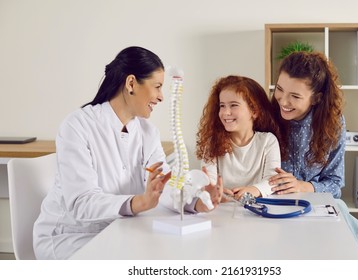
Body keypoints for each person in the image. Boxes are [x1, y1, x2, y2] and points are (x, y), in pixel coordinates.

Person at [33, 46, 174, 260]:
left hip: (119, 231)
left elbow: (164, 186)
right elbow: (81, 203)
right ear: (131, 83)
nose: (161, 97)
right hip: (70, 237)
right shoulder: (78, 126)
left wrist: (196, 199)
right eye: (157, 87)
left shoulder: (148, 132)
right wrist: (139, 202)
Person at [268, 51, 358, 257]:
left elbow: (335, 183)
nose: (283, 101)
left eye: (295, 96)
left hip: (315, 204)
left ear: (316, 98)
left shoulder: (333, 123)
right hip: (272, 203)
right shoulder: (267, 115)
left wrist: (303, 186)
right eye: (279, 89)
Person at [196, 75, 281, 201]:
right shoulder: (212, 142)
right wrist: (216, 191)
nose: (225, 113)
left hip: (258, 208)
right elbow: (209, 181)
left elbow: (272, 180)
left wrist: (254, 190)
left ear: (254, 111)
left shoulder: (268, 141)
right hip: (222, 209)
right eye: (222, 106)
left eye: (233, 105)